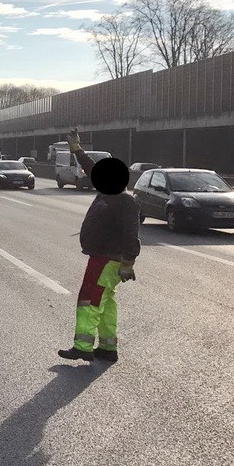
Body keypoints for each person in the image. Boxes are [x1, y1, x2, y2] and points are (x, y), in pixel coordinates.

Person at [58, 128, 140, 364]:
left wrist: (128, 262)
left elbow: (131, 234)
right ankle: (107, 347)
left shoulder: (125, 201)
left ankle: (83, 347)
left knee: (90, 299)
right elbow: (93, 169)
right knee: (105, 302)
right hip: (105, 258)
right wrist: (77, 150)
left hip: (107, 259)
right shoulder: (109, 192)